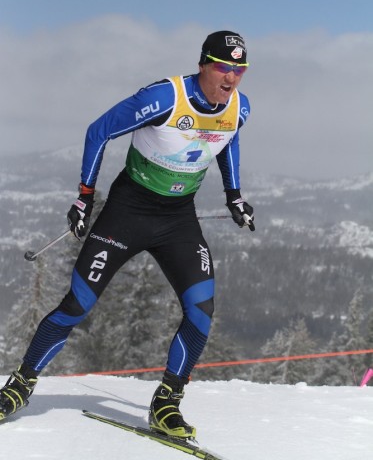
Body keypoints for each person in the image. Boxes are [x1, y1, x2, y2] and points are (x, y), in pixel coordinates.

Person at [0, 30, 255, 437]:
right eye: (223, 68)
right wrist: (85, 196)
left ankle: (166, 403)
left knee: (201, 312)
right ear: (204, 64)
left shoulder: (238, 107)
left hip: (178, 219)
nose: (230, 79)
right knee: (77, 306)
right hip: (127, 212)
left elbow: (228, 139)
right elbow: (99, 131)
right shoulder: (165, 98)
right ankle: (20, 384)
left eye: (239, 71)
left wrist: (234, 195)